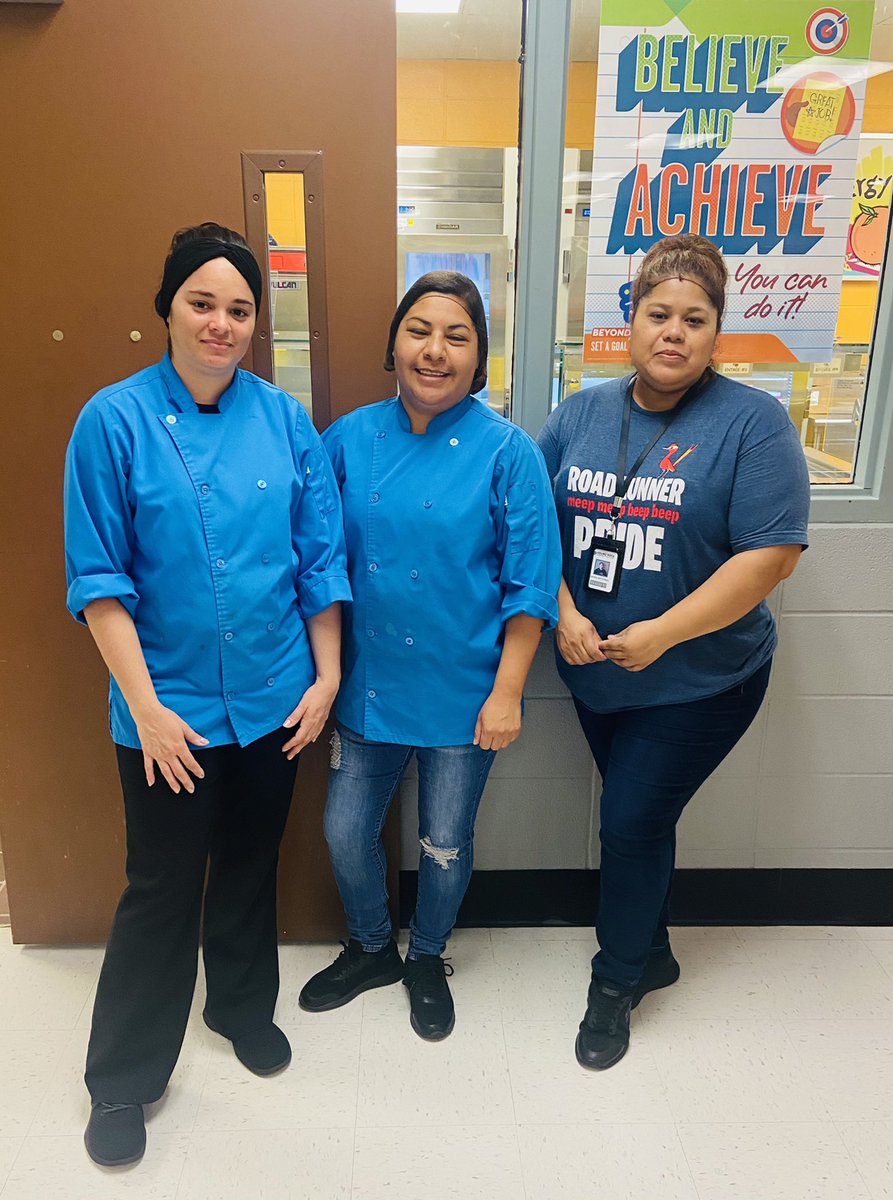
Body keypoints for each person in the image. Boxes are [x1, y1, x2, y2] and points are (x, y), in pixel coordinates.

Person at [64, 223, 350, 1166]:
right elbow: (100, 582)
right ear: (168, 308)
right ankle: (122, 1079)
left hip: (273, 701)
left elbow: (318, 560)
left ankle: (236, 1007)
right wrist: (145, 709)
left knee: (247, 865)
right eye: (202, 303)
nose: (221, 324)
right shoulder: (113, 421)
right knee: (160, 887)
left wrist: (328, 675)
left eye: (238, 309)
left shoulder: (283, 420)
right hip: (169, 712)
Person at [536, 234, 810, 1071]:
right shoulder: (580, 413)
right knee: (638, 819)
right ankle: (651, 948)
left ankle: (616, 981)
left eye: (696, 319)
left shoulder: (751, 424)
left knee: (627, 820)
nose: (674, 332)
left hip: (701, 678)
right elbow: (527, 526)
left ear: (716, 330)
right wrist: (561, 611)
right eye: (659, 313)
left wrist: (661, 634)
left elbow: (770, 555)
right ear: (631, 318)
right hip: (595, 670)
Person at [298, 271, 561, 1040]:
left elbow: (530, 586)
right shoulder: (347, 438)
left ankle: (428, 957)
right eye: (419, 330)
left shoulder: (509, 453)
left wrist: (508, 691)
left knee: (444, 842)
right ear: (393, 342)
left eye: (457, 336)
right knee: (346, 834)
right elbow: (312, 555)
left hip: (463, 695)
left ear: (478, 358)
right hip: (366, 689)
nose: (434, 350)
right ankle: (373, 947)